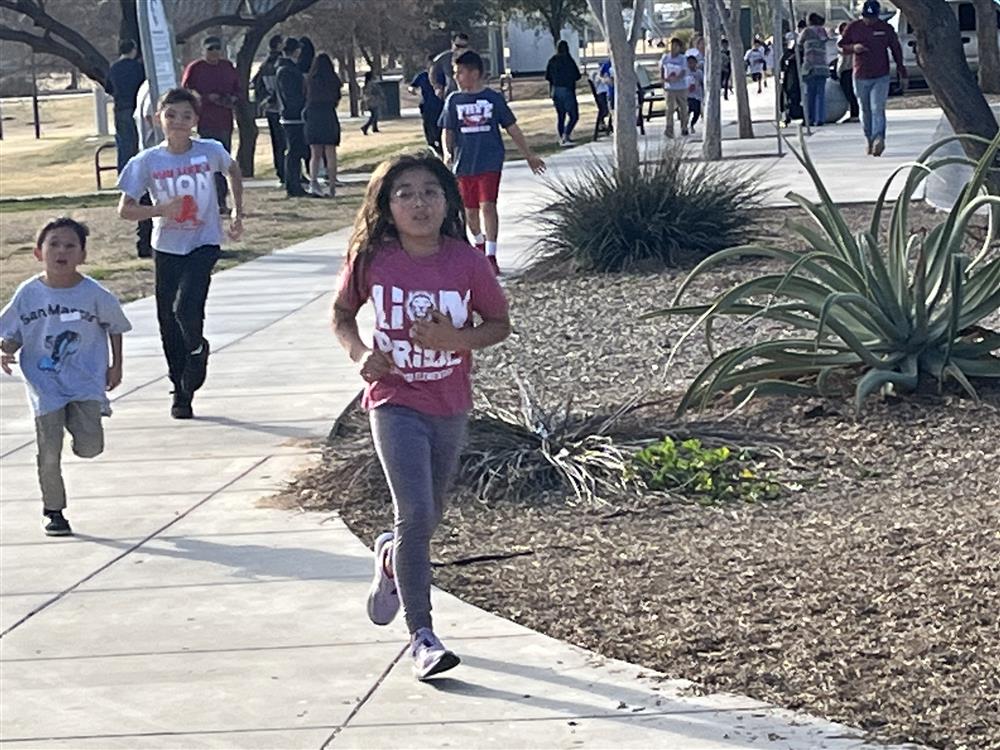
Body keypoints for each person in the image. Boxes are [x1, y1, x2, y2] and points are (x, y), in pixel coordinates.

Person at [332, 152, 511, 680]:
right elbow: (342, 315)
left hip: (449, 401)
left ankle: (390, 557)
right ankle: (423, 637)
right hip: (393, 400)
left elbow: (498, 323)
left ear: (447, 201)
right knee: (414, 513)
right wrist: (361, 354)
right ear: (386, 205)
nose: (418, 202)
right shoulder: (374, 258)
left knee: (427, 517)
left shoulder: (466, 261)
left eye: (430, 191)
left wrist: (455, 339)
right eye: (404, 193)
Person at [116, 88, 244, 419]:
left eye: (186, 116)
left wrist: (236, 211)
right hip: (167, 246)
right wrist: (161, 209)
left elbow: (233, 170)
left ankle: (198, 349)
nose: (178, 122)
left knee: (186, 307)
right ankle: (181, 388)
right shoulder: (146, 161)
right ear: (158, 118)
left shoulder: (208, 151)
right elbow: (125, 210)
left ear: (195, 121)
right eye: (171, 115)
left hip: (204, 241)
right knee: (167, 318)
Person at [0, 218, 132, 537]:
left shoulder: (94, 293)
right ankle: (54, 511)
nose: (62, 251)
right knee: (48, 450)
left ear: (83, 255)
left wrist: (116, 366)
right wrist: (4, 350)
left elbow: (115, 328)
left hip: (85, 380)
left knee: (90, 447)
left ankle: (78, 424)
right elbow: (13, 331)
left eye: (71, 245)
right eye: (54, 244)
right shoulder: (28, 293)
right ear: (38, 252)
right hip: (44, 385)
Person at [441, 50, 546, 274]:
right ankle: (478, 243)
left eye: (460, 72)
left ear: (475, 73)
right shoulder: (453, 100)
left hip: (490, 162)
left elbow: (512, 128)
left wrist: (529, 154)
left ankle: (490, 254)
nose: (457, 77)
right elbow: (447, 130)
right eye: (456, 73)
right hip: (464, 164)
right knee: (470, 212)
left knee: (487, 206)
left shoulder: (493, 98)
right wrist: (447, 153)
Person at [181, 36, 241, 213]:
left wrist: (232, 98)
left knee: (223, 161)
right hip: (206, 121)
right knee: (207, 163)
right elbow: (186, 91)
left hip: (225, 120)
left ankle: (221, 201)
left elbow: (238, 88)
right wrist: (206, 98)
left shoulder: (227, 67)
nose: (214, 52)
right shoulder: (196, 68)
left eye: (217, 48)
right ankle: (208, 201)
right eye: (210, 49)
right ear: (204, 50)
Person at [838, 0, 906, 156]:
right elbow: (841, 46)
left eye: (872, 17)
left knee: (877, 108)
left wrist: (902, 71)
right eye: (866, 17)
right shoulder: (853, 27)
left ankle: (878, 139)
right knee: (865, 110)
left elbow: (896, 49)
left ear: (877, 15)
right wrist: (853, 48)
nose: (869, 21)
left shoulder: (885, 29)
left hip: (881, 75)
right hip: (860, 75)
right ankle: (868, 138)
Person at [275, 37, 310, 198]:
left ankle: (296, 182)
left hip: (294, 116)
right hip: (292, 117)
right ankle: (293, 185)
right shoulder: (286, 70)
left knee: (297, 150)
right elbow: (290, 96)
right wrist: (302, 106)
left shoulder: (288, 68)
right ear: (295, 50)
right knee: (294, 151)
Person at [305, 53, 342, 197]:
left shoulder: (310, 80)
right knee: (331, 153)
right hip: (329, 114)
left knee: (315, 153)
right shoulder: (333, 80)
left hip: (314, 115)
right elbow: (337, 98)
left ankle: (313, 182)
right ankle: (332, 186)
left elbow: (305, 96)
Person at [105, 39, 146, 174]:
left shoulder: (114, 68)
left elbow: (108, 88)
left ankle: (124, 175)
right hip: (136, 107)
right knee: (139, 142)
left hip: (121, 108)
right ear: (133, 50)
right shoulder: (138, 67)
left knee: (124, 144)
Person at [252, 34, 286, 186]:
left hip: (271, 109)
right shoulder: (282, 63)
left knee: (277, 143)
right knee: (288, 143)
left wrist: (265, 99)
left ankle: (281, 172)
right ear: (279, 45)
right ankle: (291, 173)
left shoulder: (264, 65)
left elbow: (256, 83)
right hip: (283, 108)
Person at [133, 79, 156, 259]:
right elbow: (149, 114)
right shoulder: (153, 87)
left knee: (146, 200)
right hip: (153, 150)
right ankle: (145, 244)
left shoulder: (143, 86)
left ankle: (145, 243)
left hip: (147, 150)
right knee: (149, 201)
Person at [544, 40, 582, 147]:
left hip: (556, 90)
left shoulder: (552, 60)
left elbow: (548, 77)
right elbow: (577, 76)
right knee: (574, 115)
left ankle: (562, 137)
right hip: (567, 90)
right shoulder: (569, 60)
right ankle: (566, 134)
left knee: (561, 116)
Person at [799, 13, 830, 127]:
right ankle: (820, 118)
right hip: (822, 67)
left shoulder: (807, 31)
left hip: (810, 66)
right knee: (820, 94)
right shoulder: (823, 31)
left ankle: (809, 118)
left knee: (809, 95)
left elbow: (798, 44)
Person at [409, 54, 444, 154]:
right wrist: (412, 90)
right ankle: (431, 144)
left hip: (440, 105)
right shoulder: (422, 75)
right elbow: (412, 86)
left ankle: (440, 144)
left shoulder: (441, 76)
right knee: (428, 125)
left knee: (440, 126)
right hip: (427, 105)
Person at [660, 38, 689, 138]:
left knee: (683, 108)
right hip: (669, 88)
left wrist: (677, 78)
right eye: (672, 45)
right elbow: (662, 69)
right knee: (669, 109)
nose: (673, 48)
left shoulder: (682, 58)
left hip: (681, 87)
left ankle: (684, 127)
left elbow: (684, 71)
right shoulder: (665, 57)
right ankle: (669, 129)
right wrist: (663, 79)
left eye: (676, 46)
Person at [430, 33, 471, 101]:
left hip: (469, 94)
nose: (460, 49)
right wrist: (437, 87)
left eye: (464, 46)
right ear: (452, 43)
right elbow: (433, 72)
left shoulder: (473, 58)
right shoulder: (443, 58)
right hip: (450, 95)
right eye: (458, 46)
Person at [836, 22, 861, 123]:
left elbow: (842, 50)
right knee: (850, 92)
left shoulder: (848, 42)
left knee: (850, 92)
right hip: (846, 69)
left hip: (848, 69)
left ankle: (855, 114)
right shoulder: (846, 41)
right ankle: (854, 113)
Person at [361, 71, 384, 136]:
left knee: (375, 115)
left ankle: (375, 128)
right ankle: (365, 127)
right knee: (374, 115)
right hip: (373, 101)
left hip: (369, 101)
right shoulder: (371, 84)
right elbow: (377, 91)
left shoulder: (366, 84)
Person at [686, 54, 704, 132]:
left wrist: (704, 94)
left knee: (697, 112)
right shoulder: (685, 73)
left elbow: (702, 82)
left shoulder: (699, 73)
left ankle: (692, 124)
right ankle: (684, 126)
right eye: (689, 63)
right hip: (688, 96)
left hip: (697, 95)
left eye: (693, 63)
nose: (691, 64)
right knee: (687, 111)